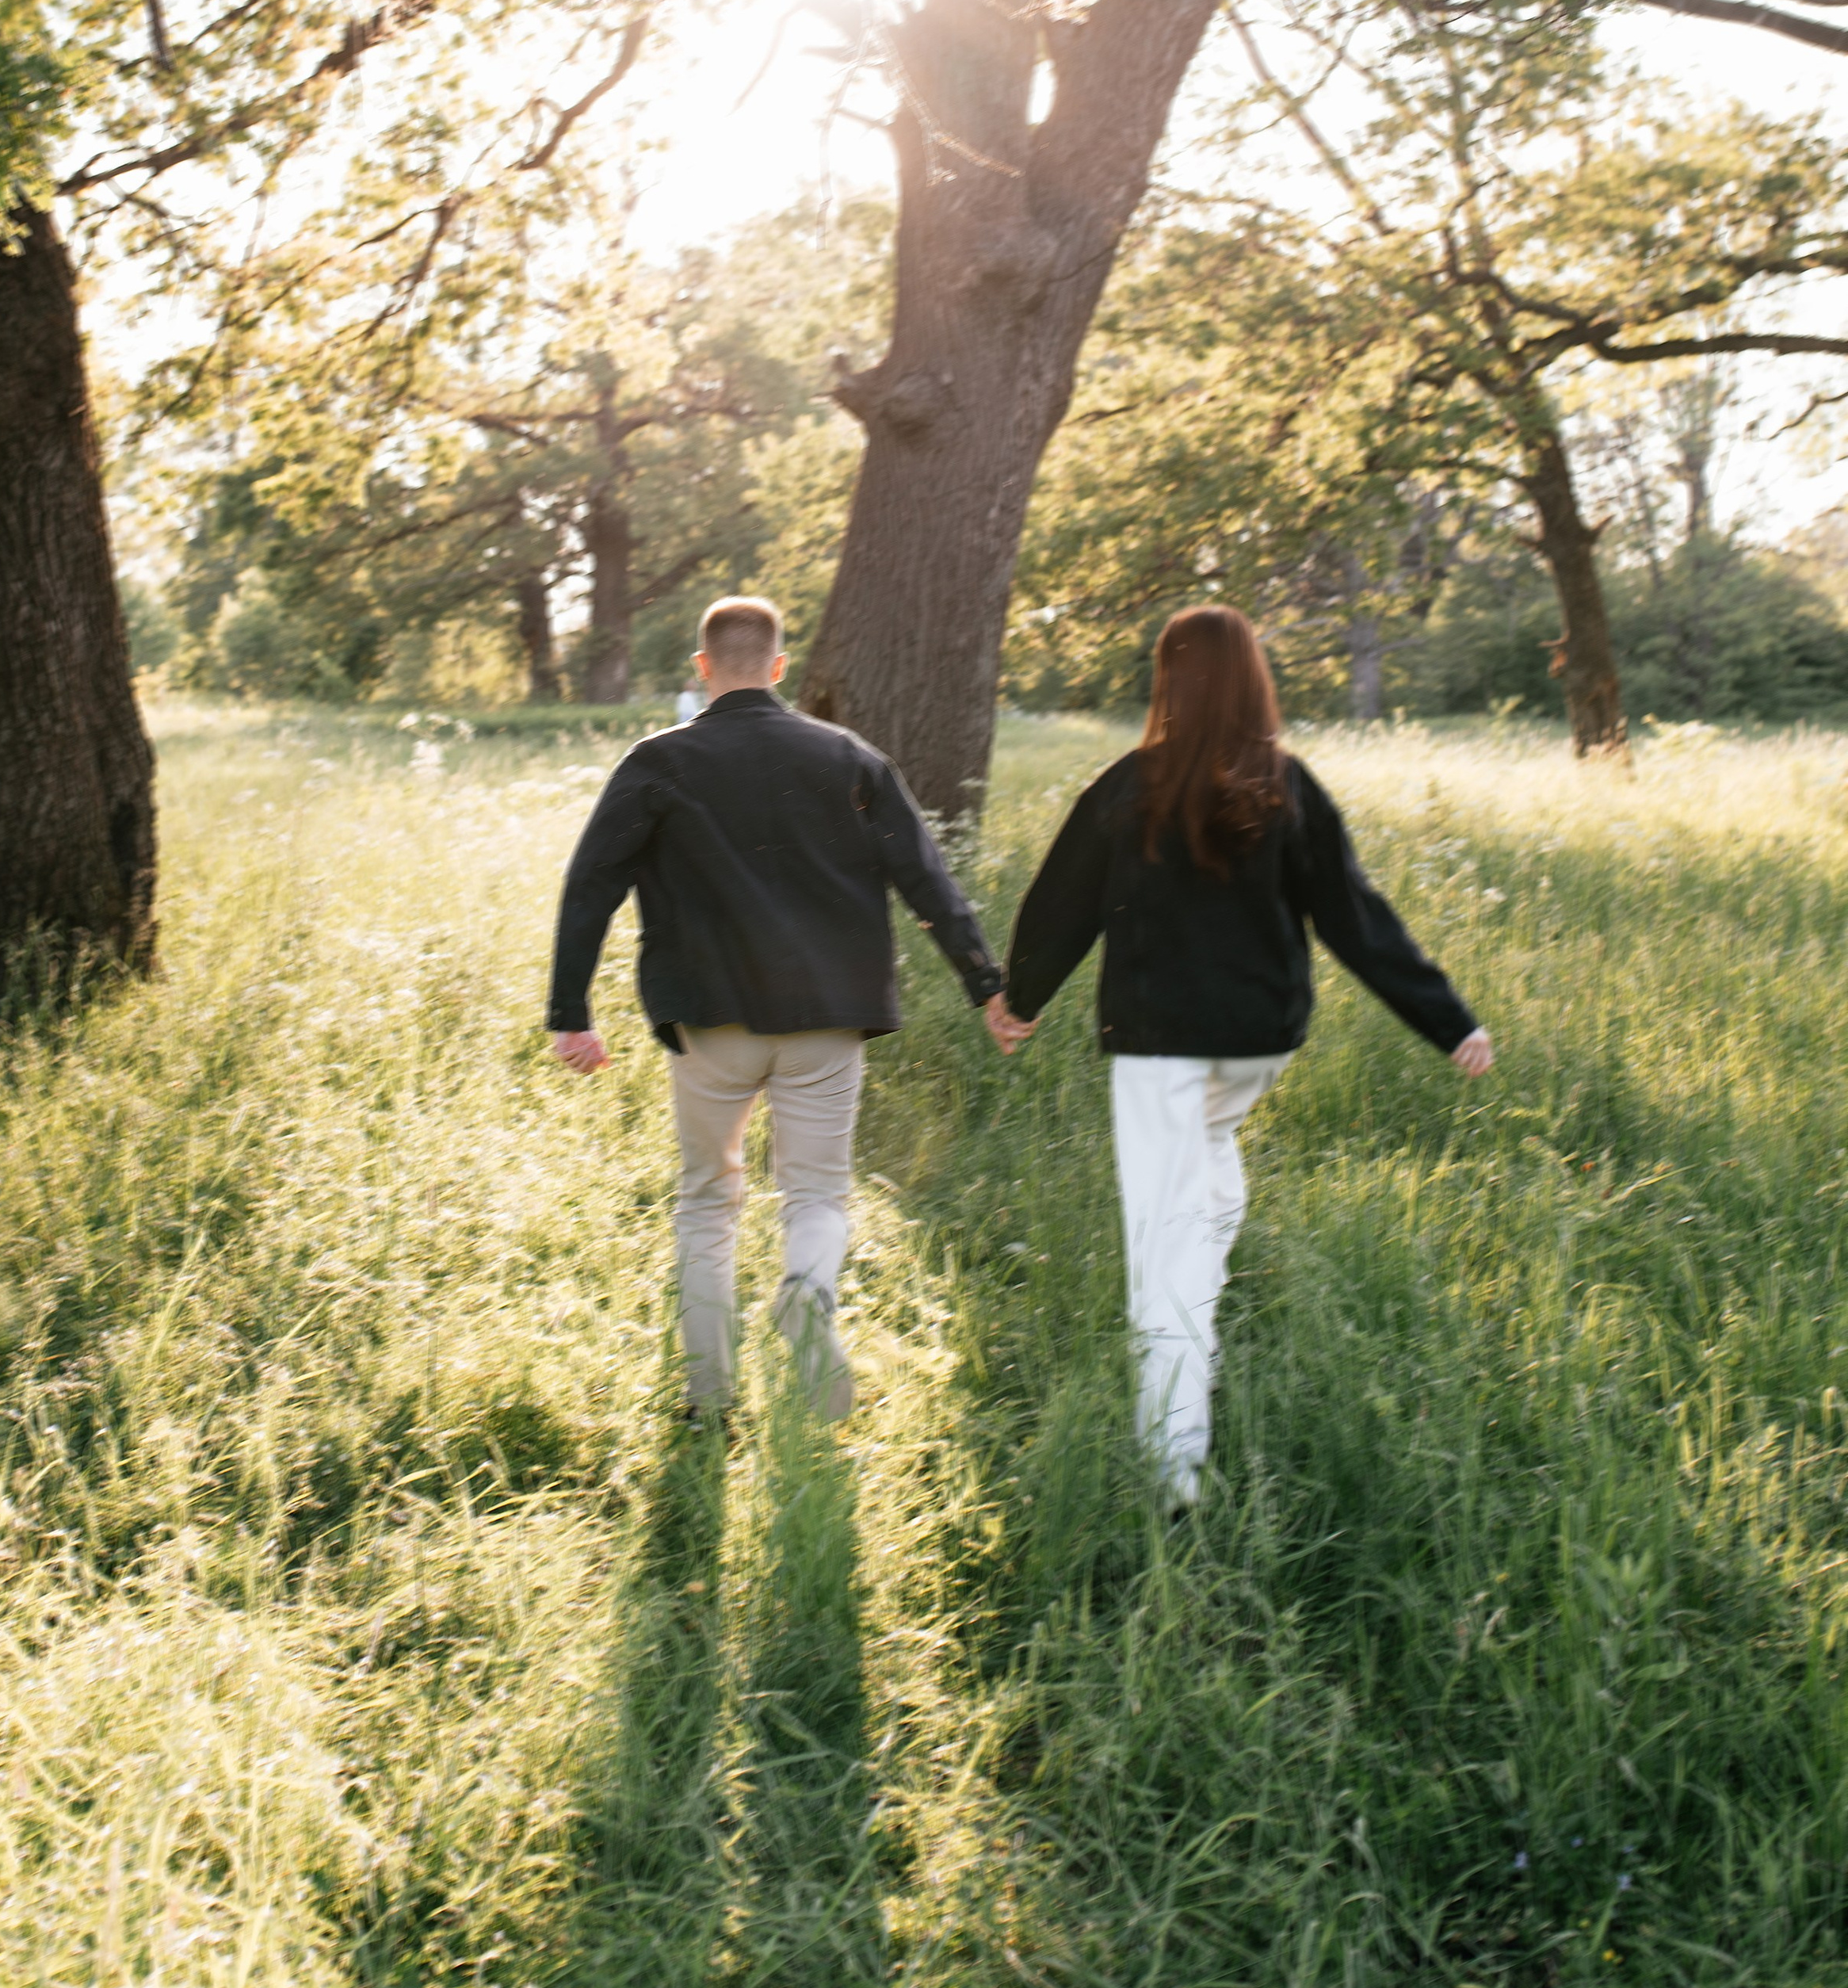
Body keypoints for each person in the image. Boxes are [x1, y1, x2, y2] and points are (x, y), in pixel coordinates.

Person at [994, 603, 1493, 1504]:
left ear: (1166, 680)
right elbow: (1354, 914)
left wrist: (1018, 999)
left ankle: (1171, 1469)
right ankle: (1199, 1305)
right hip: (1256, 1045)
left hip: (1158, 1049)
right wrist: (1449, 1019)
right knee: (1209, 1174)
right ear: (1253, 678)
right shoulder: (1285, 784)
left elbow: (1059, 899)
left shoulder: (1127, 784)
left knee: (1165, 1248)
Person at [548, 594, 1005, 1424]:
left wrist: (570, 1011)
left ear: (702, 667)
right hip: (827, 1018)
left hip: (709, 1019)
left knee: (705, 1200)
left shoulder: (659, 761)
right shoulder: (849, 757)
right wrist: (985, 982)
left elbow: (592, 884)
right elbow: (926, 880)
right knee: (818, 1194)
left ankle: (708, 1399)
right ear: (779, 665)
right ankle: (806, 1294)